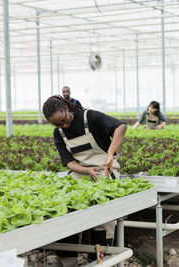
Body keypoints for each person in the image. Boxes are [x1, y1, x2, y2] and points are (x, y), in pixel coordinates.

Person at [42, 95, 127, 255]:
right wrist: (87, 170)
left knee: (103, 212)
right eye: (58, 124)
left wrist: (110, 154)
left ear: (66, 109)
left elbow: (120, 127)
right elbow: (69, 163)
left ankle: (101, 257)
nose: (64, 125)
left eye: (64, 120)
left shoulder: (90, 117)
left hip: (104, 169)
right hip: (80, 172)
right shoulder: (59, 133)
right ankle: (68, 259)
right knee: (66, 209)